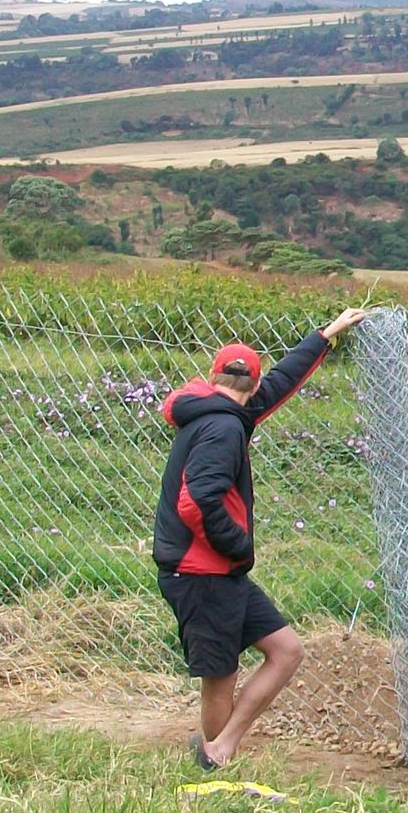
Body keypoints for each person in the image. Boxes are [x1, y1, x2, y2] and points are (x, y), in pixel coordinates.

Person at [155, 308, 367, 770]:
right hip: (203, 570)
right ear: (248, 386)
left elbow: (278, 384)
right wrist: (238, 546)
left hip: (215, 571)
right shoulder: (225, 427)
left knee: (286, 650)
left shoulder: (214, 407)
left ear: (215, 377)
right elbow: (198, 502)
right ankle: (215, 761)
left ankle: (220, 747)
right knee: (220, 676)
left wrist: (324, 337)